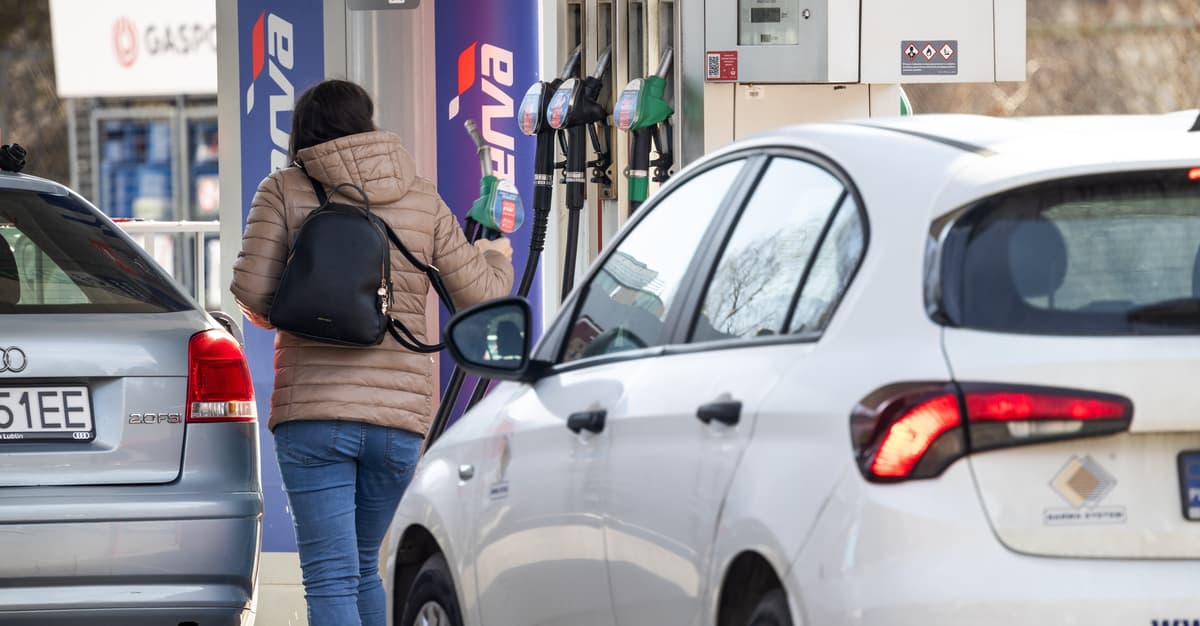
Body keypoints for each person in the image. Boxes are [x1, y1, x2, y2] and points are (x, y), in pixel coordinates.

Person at [230, 79, 513, 626]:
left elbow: (253, 294)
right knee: (365, 568)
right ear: (368, 123)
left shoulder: (284, 189)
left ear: (304, 130)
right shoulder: (421, 195)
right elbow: (477, 295)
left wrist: (302, 307)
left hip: (312, 414)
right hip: (398, 420)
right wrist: (495, 254)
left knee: (331, 577)